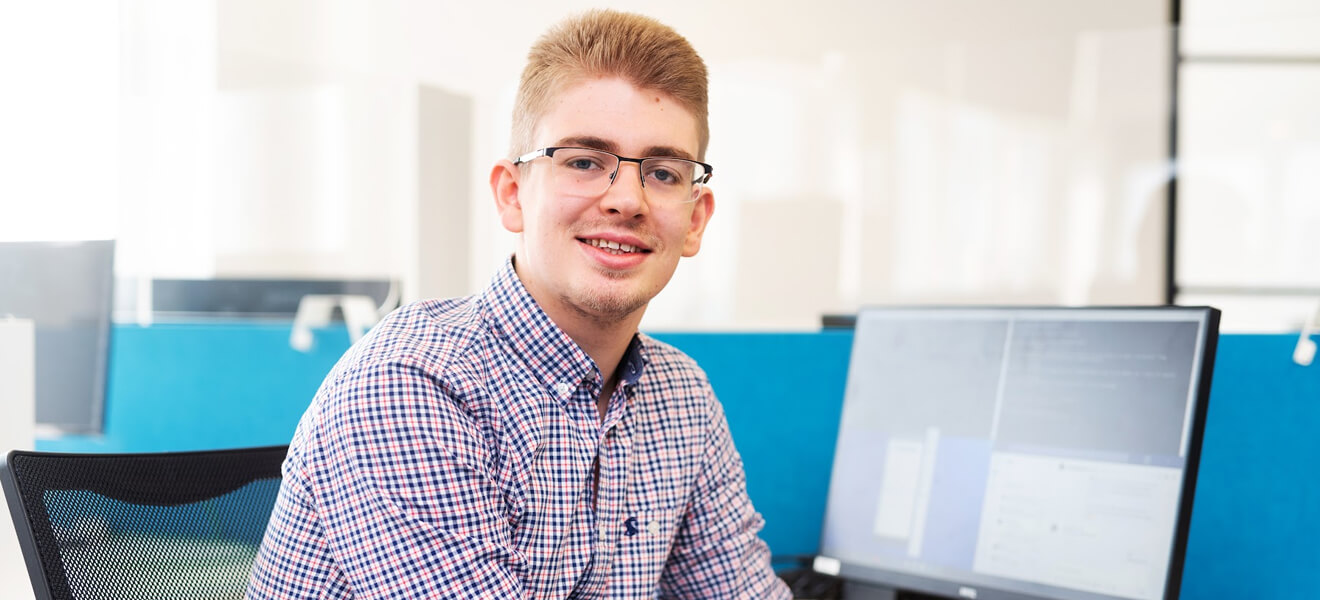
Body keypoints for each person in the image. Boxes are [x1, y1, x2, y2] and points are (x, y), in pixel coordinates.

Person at [246, 9, 790, 599]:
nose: (628, 200)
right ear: (512, 196)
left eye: (662, 172)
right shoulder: (410, 385)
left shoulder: (680, 399)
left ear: (695, 220)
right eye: (585, 161)